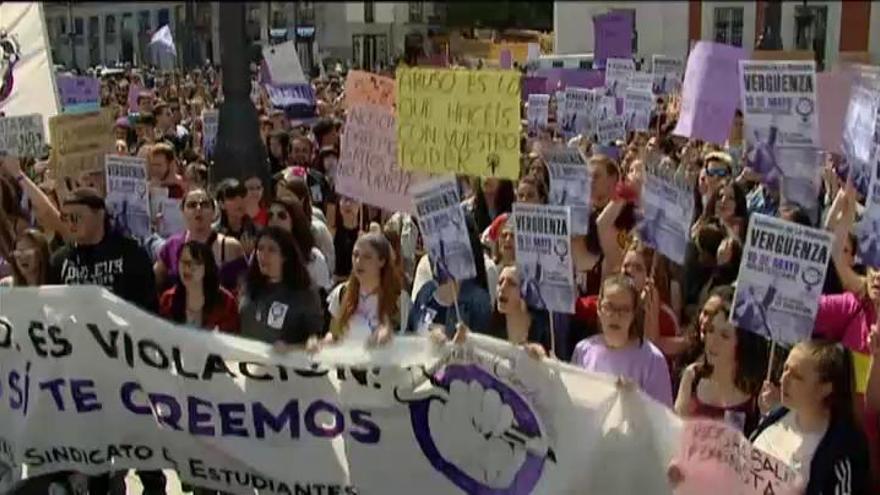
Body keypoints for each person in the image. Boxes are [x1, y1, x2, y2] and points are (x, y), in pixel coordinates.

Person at [48, 187, 163, 495]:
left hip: (129, 374)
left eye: (77, 216)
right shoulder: (60, 260)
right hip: (84, 378)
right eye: (65, 217)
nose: (69, 223)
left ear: (99, 215)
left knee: (145, 454)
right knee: (96, 460)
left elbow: (150, 312)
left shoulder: (130, 254)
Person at [752, 340, 870, 494]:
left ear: (825, 388)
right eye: (785, 369)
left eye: (797, 376)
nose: (783, 380)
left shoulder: (841, 452)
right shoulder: (775, 418)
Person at [674, 286, 767, 436]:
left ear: (741, 343)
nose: (713, 341)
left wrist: (766, 412)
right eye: (710, 330)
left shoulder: (757, 392)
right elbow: (675, 434)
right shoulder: (692, 376)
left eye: (724, 335)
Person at [570, 274, 673, 406]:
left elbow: (663, 418)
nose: (616, 316)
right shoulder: (582, 351)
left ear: (633, 314)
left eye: (624, 310)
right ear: (599, 308)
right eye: (609, 307)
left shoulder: (652, 359)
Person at [239, 227, 323, 349]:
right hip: (247, 363)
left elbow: (315, 339)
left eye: (271, 250)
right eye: (260, 248)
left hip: (285, 364)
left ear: (285, 256)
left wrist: (291, 347)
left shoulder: (304, 294)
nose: (264, 255)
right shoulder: (248, 286)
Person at [154, 188, 246, 293]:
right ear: (183, 211)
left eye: (204, 205)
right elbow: (154, 282)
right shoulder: (172, 245)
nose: (198, 209)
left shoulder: (230, 246)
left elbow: (245, 291)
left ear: (214, 211)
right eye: (192, 205)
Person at [325, 232, 401, 346]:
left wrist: (389, 335)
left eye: (367, 257)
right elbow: (334, 334)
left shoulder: (398, 299)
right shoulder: (342, 293)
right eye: (355, 255)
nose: (358, 262)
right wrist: (324, 342)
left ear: (382, 261)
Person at [159, 240, 239, 333]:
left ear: (207, 267)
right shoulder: (168, 299)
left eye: (195, 262)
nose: (188, 268)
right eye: (184, 261)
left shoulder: (226, 302)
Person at [266, 197, 331, 294]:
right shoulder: (261, 254)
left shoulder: (314, 258)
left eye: (281, 216)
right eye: (270, 216)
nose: (274, 220)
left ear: (294, 221)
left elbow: (322, 296)